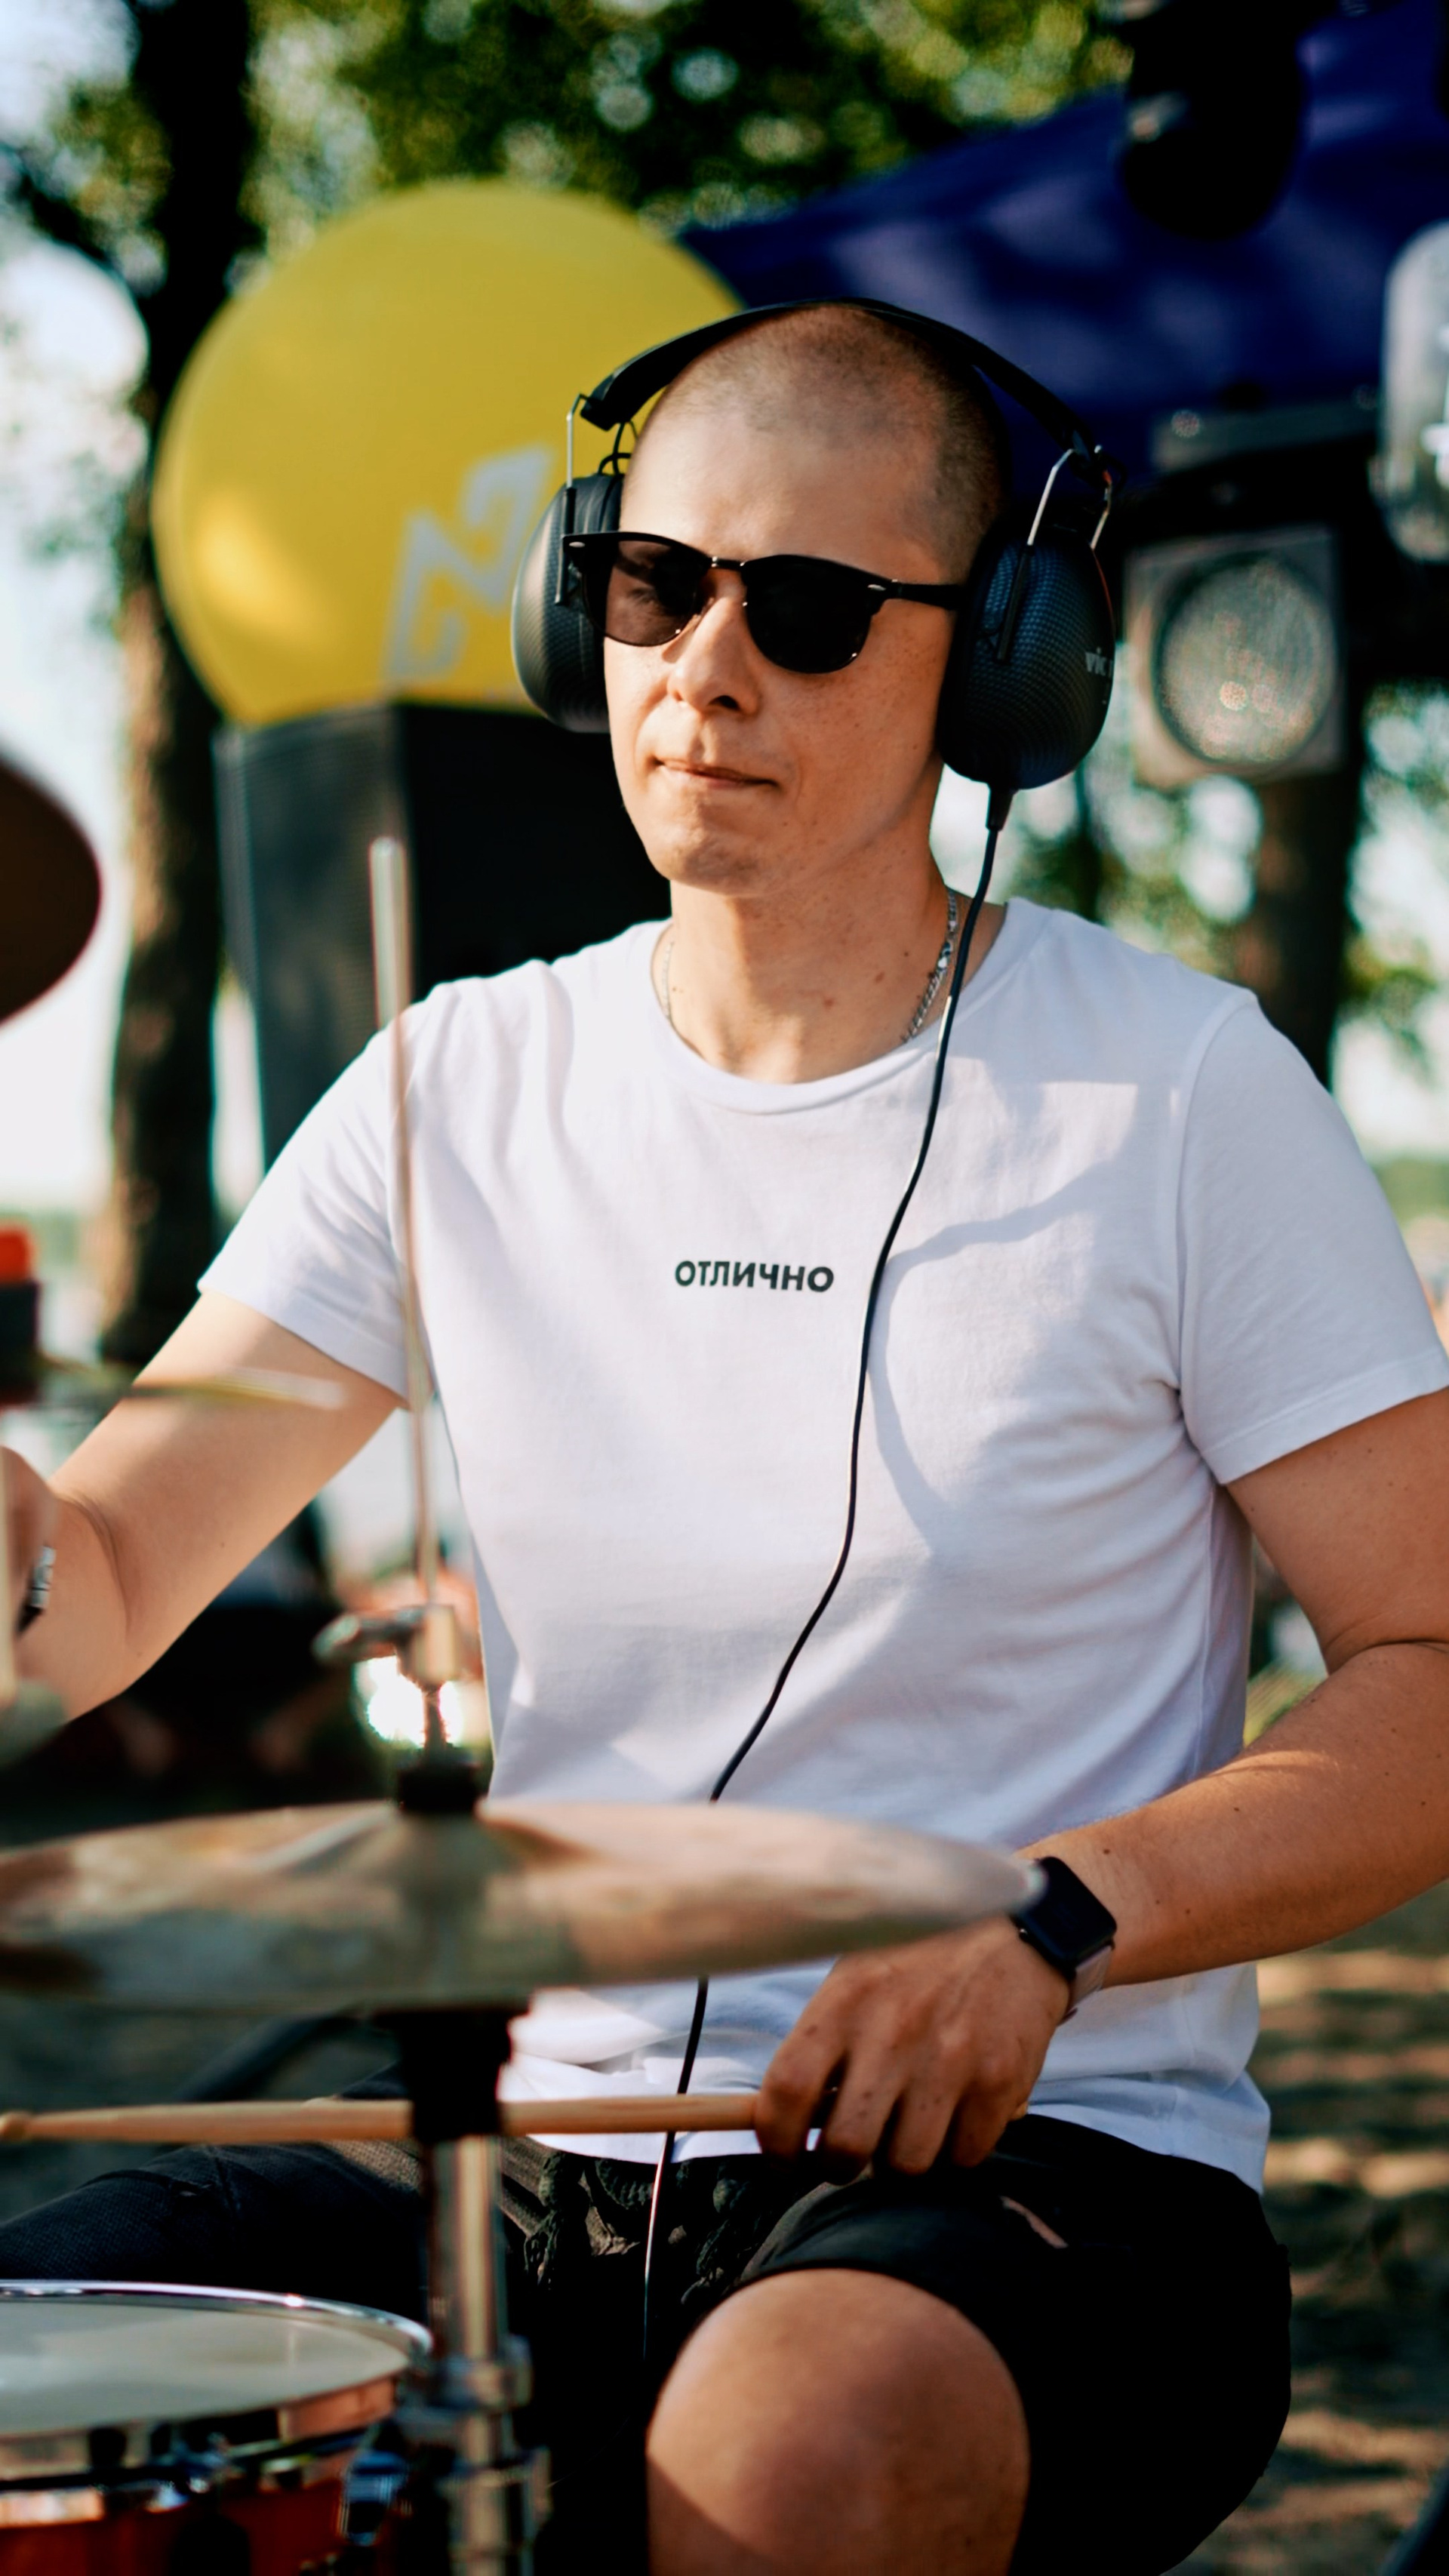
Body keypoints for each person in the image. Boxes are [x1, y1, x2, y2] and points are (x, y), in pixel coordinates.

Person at [6, 300, 1449, 2576]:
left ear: (1004, 663)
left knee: (789, 2452)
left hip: (1040, 2173)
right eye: (652, 584)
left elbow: (1433, 1677)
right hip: (538, 2159)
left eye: (809, 609)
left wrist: (1059, 1921)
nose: (703, 666)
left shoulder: (1184, 1097)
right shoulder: (450, 1084)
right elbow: (87, 1586)